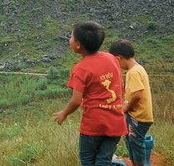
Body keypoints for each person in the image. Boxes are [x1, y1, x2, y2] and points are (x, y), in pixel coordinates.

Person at [53, 21, 127, 166]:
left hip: (94, 124)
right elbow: (119, 84)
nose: (69, 40)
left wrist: (64, 113)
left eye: (71, 37)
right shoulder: (111, 58)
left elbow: (76, 100)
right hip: (116, 122)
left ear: (78, 45)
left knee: (87, 161)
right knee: (103, 160)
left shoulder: (81, 69)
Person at [109, 39, 154, 166]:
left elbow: (137, 94)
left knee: (135, 144)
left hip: (138, 117)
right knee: (131, 141)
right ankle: (136, 162)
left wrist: (125, 108)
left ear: (119, 58)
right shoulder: (138, 68)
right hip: (140, 116)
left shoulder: (133, 72)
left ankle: (137, 164)